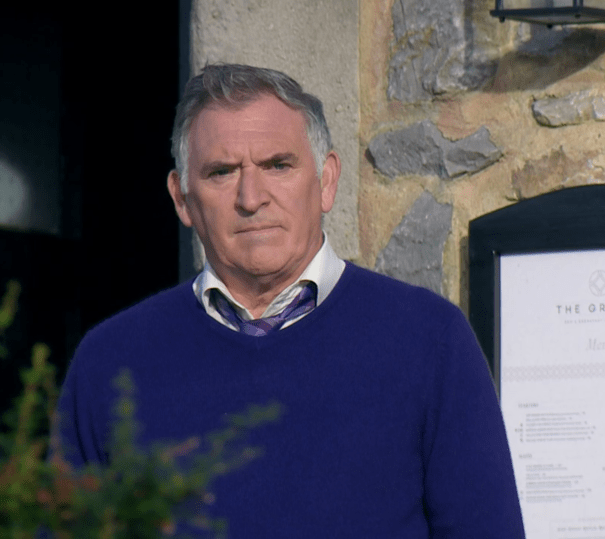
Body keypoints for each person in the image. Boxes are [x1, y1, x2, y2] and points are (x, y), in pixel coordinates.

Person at [55, 63, 525, 538]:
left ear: (326, 181)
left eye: (277, 165)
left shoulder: (429, 341)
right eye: (222, 172)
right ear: (182, 198)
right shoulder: (112, 362)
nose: (251, 197)